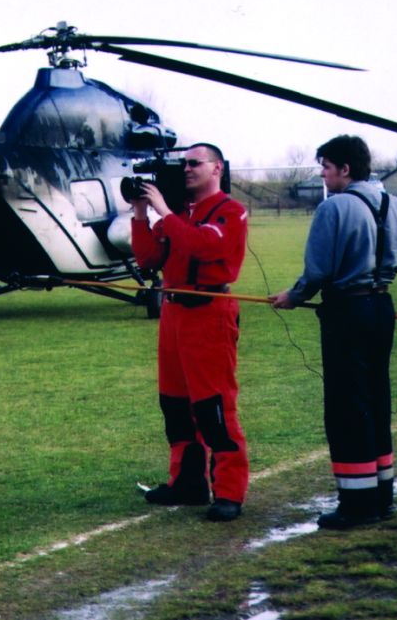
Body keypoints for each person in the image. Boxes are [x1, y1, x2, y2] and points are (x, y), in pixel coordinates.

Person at [271, 135, 397, 530]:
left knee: (348, 408)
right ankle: (381, 496)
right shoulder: (396, 206)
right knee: (375, 401)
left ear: (345, 169)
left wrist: (292, 297)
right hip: (381, 309)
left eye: (326, 167)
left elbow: (317, 273)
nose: (322, 175)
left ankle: (356, 504)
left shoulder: (334, 209)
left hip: (346, 311)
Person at [130, 142, 250, 522]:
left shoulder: (230, 212)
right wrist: (139, 215)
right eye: (183, 164)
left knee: (213, 405)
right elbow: (149, 258)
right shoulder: (181, 213)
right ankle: (188, 481)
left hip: (209, 313)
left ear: (217, 168)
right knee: (176, 405)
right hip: (174, 314)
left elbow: (201, 246)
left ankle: (229, 492)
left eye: (194, 163)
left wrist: (164, 212)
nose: (186, 170)